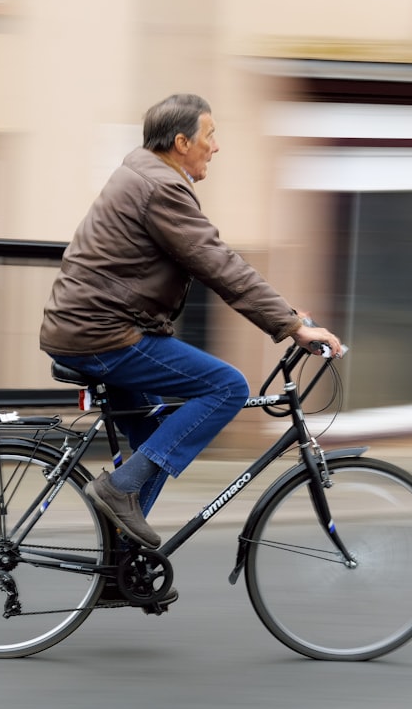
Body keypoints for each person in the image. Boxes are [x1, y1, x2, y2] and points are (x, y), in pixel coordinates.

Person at [40, 94, 343, 604]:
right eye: (209, 136)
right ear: (182, 143)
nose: (216, 147)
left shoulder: (141, 175)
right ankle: (118, 492)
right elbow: (218, 264)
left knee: (155, 439)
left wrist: (289, 317)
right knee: (226, 386)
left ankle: (120, 570)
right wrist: (292, 326)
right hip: (102, 334)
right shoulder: (161, 188)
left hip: (92, 327)